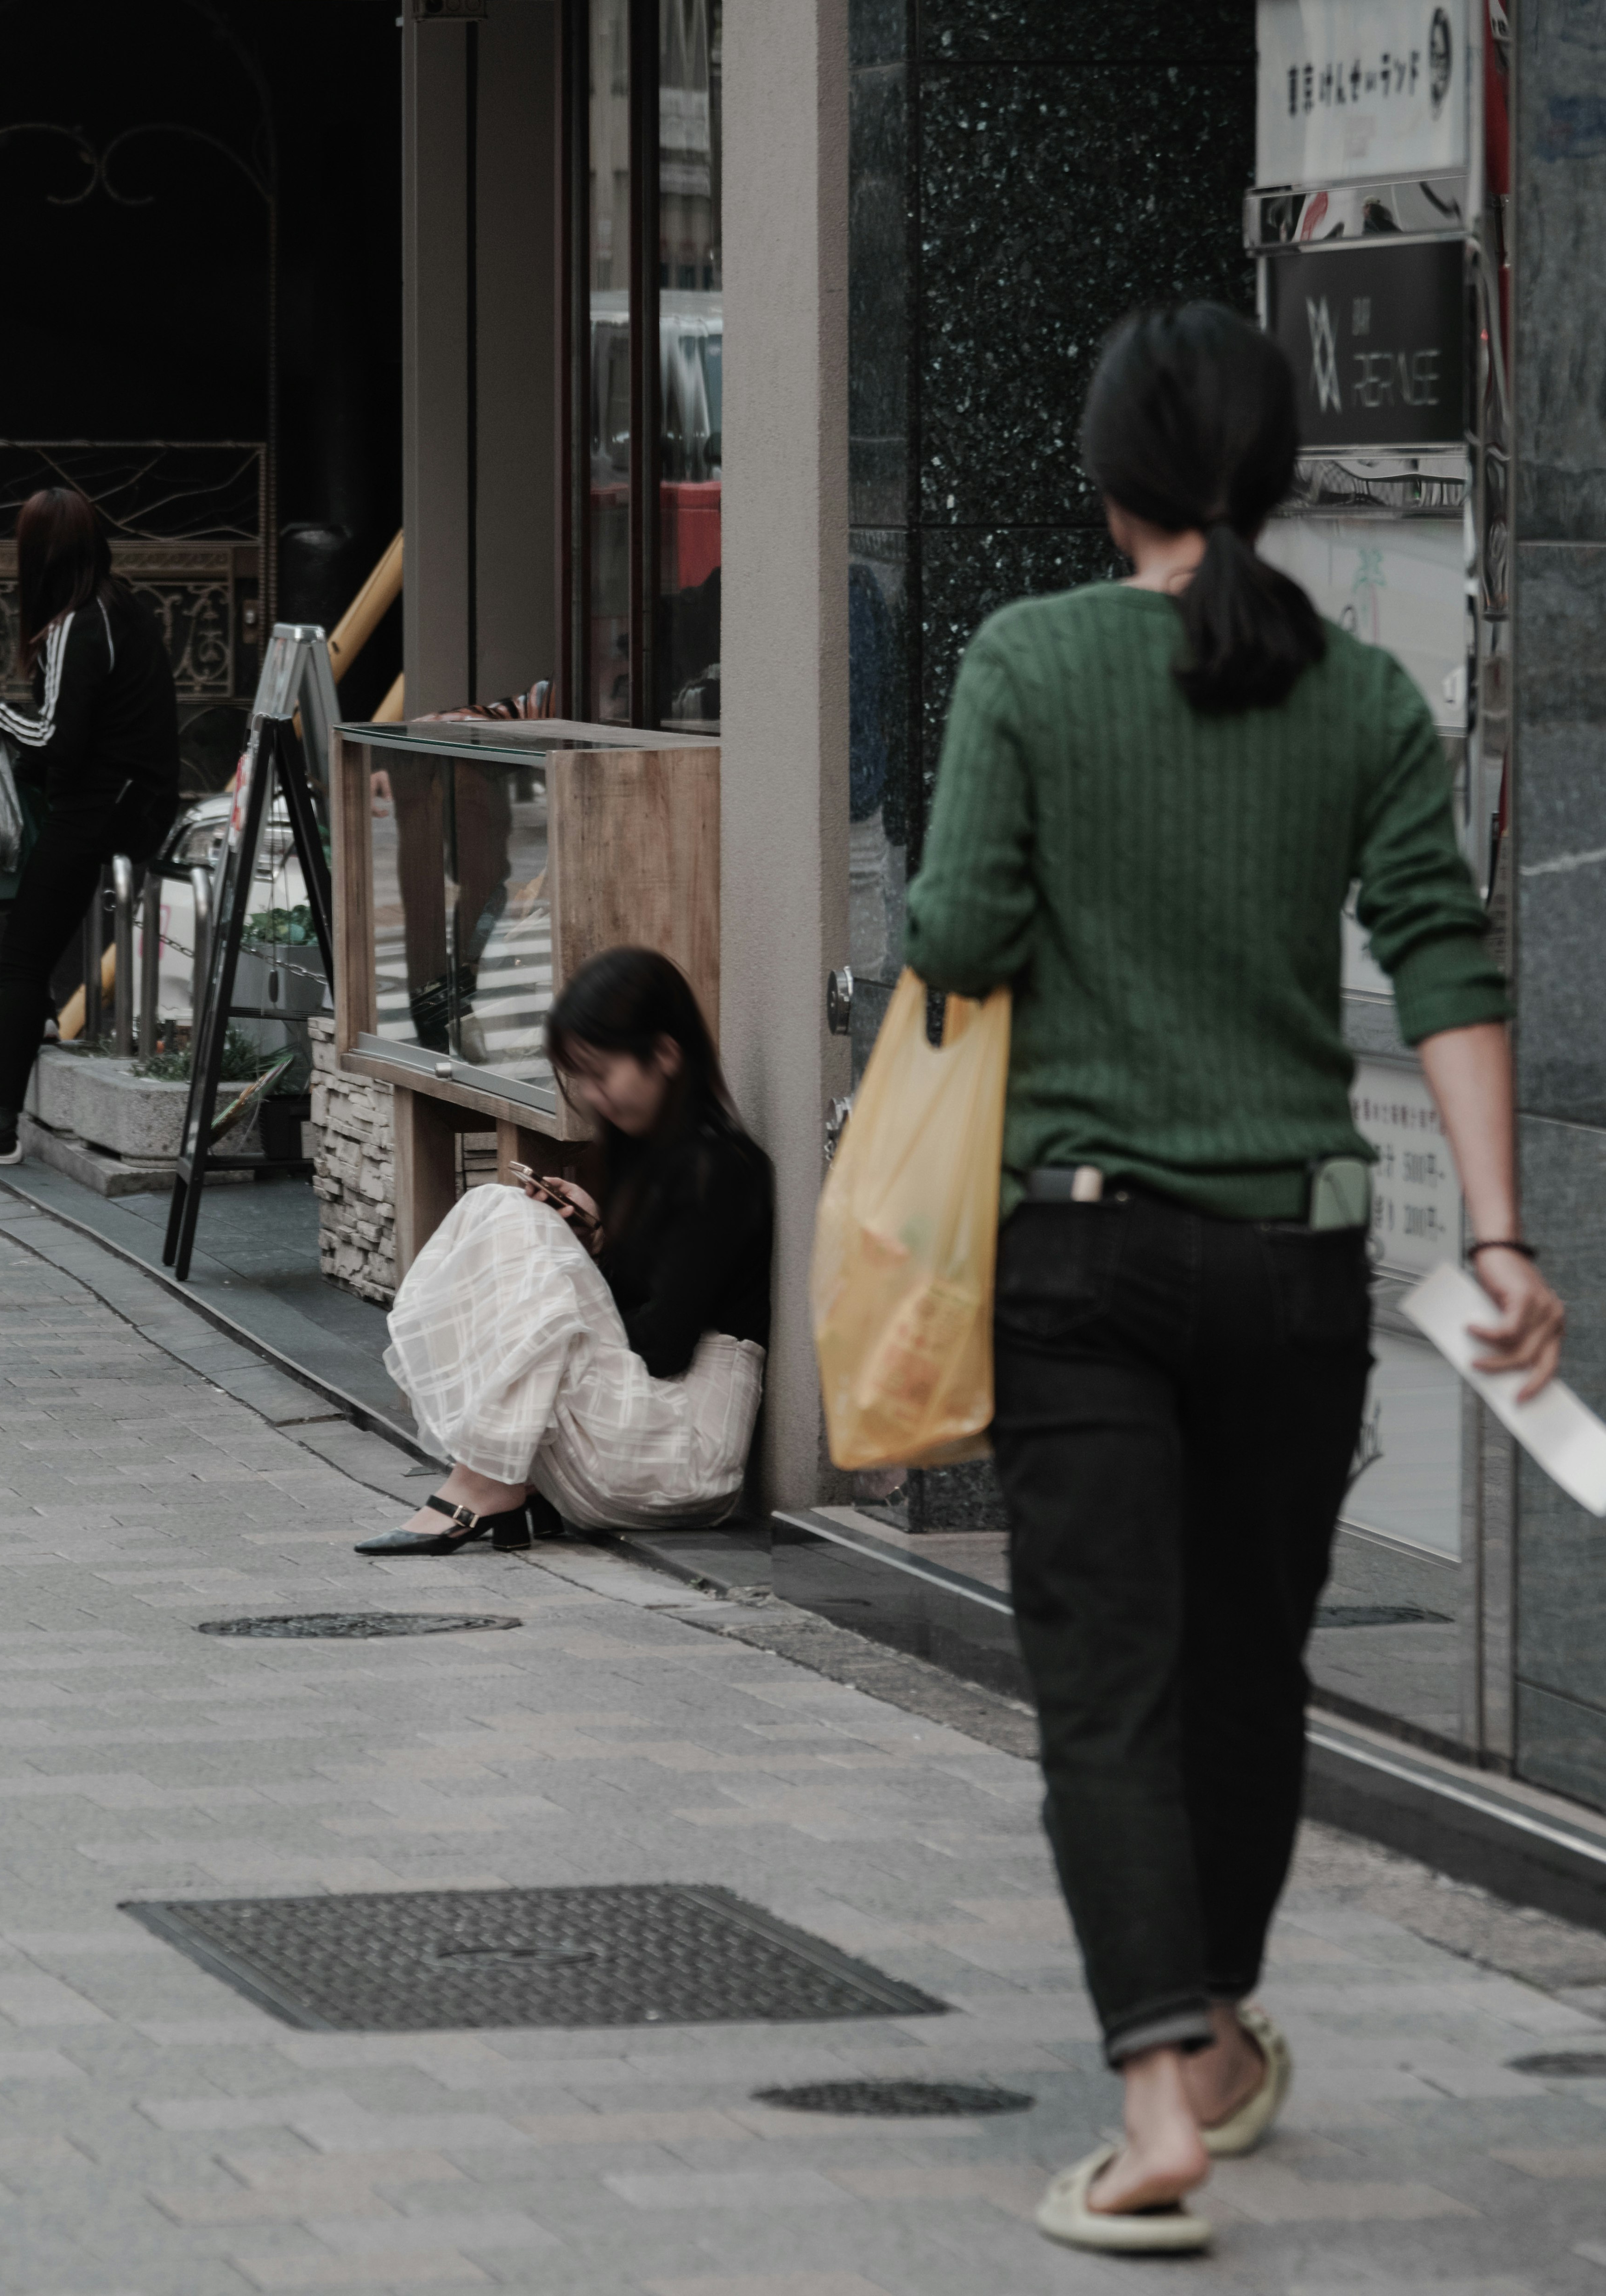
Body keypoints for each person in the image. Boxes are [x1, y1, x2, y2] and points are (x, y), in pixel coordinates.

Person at [902, 303, 1564, 2257]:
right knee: (1249, 1673)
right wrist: (1505, 1234)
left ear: (1107, 479)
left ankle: (1154, 2104)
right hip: (1294, 1252)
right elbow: (1443, 959)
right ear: (1271, 483)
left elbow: (951, 926)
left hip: (1082, 1251)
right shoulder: (1360, 696)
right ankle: (1213, 2035)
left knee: (1108, 1686)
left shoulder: (1026, 661)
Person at [356, 946, 773, 1554]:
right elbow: (645, 1308)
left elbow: (663, 1346)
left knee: (507, 1216)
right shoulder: (650, 1160)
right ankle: (498, 1480)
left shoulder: (723, 1170)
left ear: (664, 1055)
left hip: (684, 1461)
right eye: (582, 1077)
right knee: (508, 1212)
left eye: (601, 1074)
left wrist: (569, 1283)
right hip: (632, 1441)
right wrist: (595, 1244)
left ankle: (488, 1481)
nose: (592, 1094)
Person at [0, 486, 181, 1165]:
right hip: (136, 808)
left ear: (40, 556)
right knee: (36, 942)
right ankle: (44, 1039)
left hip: (94, 815)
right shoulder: (127, 610)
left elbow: (58, 738)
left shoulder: (74, 625)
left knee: (23, 957)